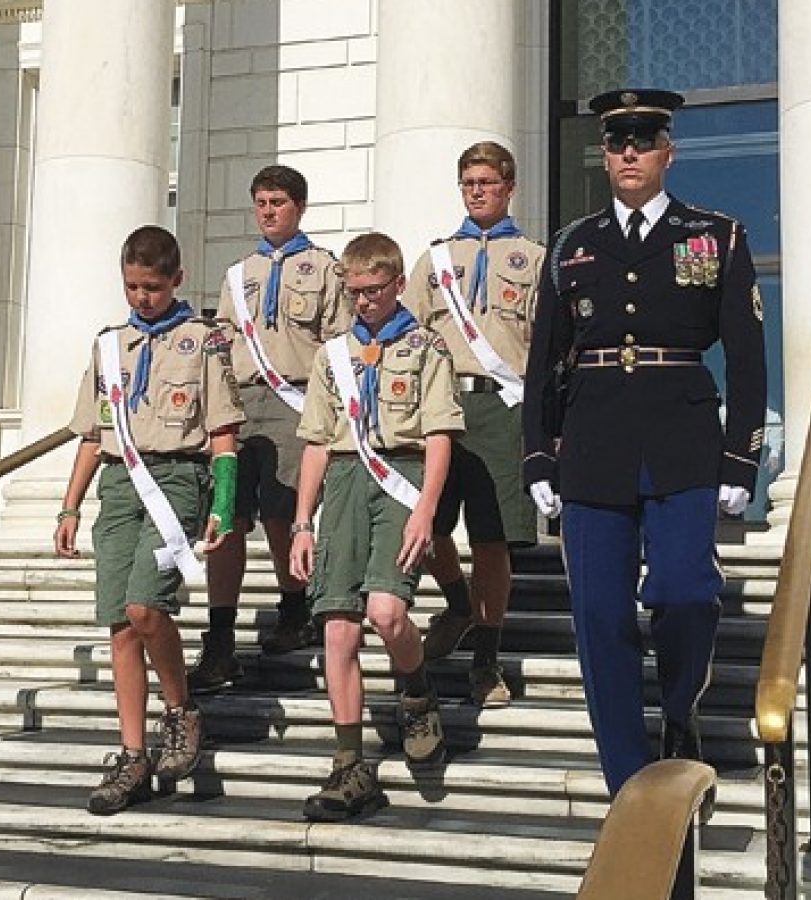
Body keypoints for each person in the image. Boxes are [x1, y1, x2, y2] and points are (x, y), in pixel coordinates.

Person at [522, 89, 767, 802]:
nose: (629, 153)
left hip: (683, 441)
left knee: (687, 592)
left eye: (643, 141)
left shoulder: (714, 234)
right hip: (593, 445)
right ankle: (629, 785)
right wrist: (540, 453)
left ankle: (681, 710)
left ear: (667, 152)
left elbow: (748, 360)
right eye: (617, 142)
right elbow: (546, 358)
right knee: (599, 619)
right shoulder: (573, 243)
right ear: (605, 155)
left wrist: (741, 456)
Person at [54, 225, 245, 815]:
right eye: (133, 286)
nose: (142, 298)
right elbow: (92, 433)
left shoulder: (204, 340)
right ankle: (132, 755)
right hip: (119, 486)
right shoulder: (110, 345)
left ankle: (181, 708)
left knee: (146, 606)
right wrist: (69, 504)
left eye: (153, 288)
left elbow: (223, 433)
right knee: (119, 625)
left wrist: (223, 505)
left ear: (177, 280)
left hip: (178, 481)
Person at [290, 232, 464, 822]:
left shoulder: (425, 346)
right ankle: (350, 763)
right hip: (343, 481)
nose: (362, 301)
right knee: (338, 630)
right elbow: (316, 443)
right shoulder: (331, 355)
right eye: (354, 292)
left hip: (401, 476)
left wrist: (425, 510)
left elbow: (439, 436)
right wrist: (300, 523)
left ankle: (416, 691)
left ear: (395, 284)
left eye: (372, 290)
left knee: (388, 612)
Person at [187, 165, 350, 695]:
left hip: (295, 400)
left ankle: (294, 607)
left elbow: (338, 347)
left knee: (283, 513)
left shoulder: (324, 267)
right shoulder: (240, 273)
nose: (267, 211)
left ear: (299, 206)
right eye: (260, 202)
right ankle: (220, 636)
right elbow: (224, 342)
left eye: (277, 201)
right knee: (226, 516)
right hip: (241, 401)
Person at [403, 141, 545, 707]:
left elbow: (548, 345)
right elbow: (406, 337)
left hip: (501, 407)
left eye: (487, 181)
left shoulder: (533, 258)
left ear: (510, 186)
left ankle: (487, 657)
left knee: (491, 537)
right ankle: (457, 602)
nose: (478, 191)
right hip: (440, 407)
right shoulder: (435, 259)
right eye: (468, 183)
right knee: (428, 527)